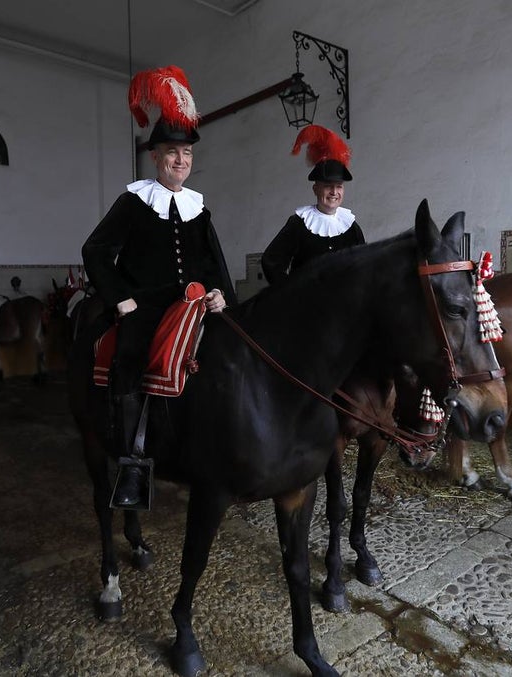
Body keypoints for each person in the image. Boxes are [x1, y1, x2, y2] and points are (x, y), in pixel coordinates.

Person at [82, 65, 235, 508]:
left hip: (194, 303)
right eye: (171, 152)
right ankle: (132, 465)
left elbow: (213, 259)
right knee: (130, 358)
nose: (180, 160)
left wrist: (221, 292)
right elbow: (95, 250)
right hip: (144, 306)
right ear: (155, 157)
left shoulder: (198, 206)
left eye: (186, 153)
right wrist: (120, 298)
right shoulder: (134, 200)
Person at [262, 125, 365, 285]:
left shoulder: (351, 227)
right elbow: (271, 262)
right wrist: (291, 293)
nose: (334, 192)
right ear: (315, 189)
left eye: (338, 186)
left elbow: (363, 267)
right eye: (327, 186)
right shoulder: (299, 223)